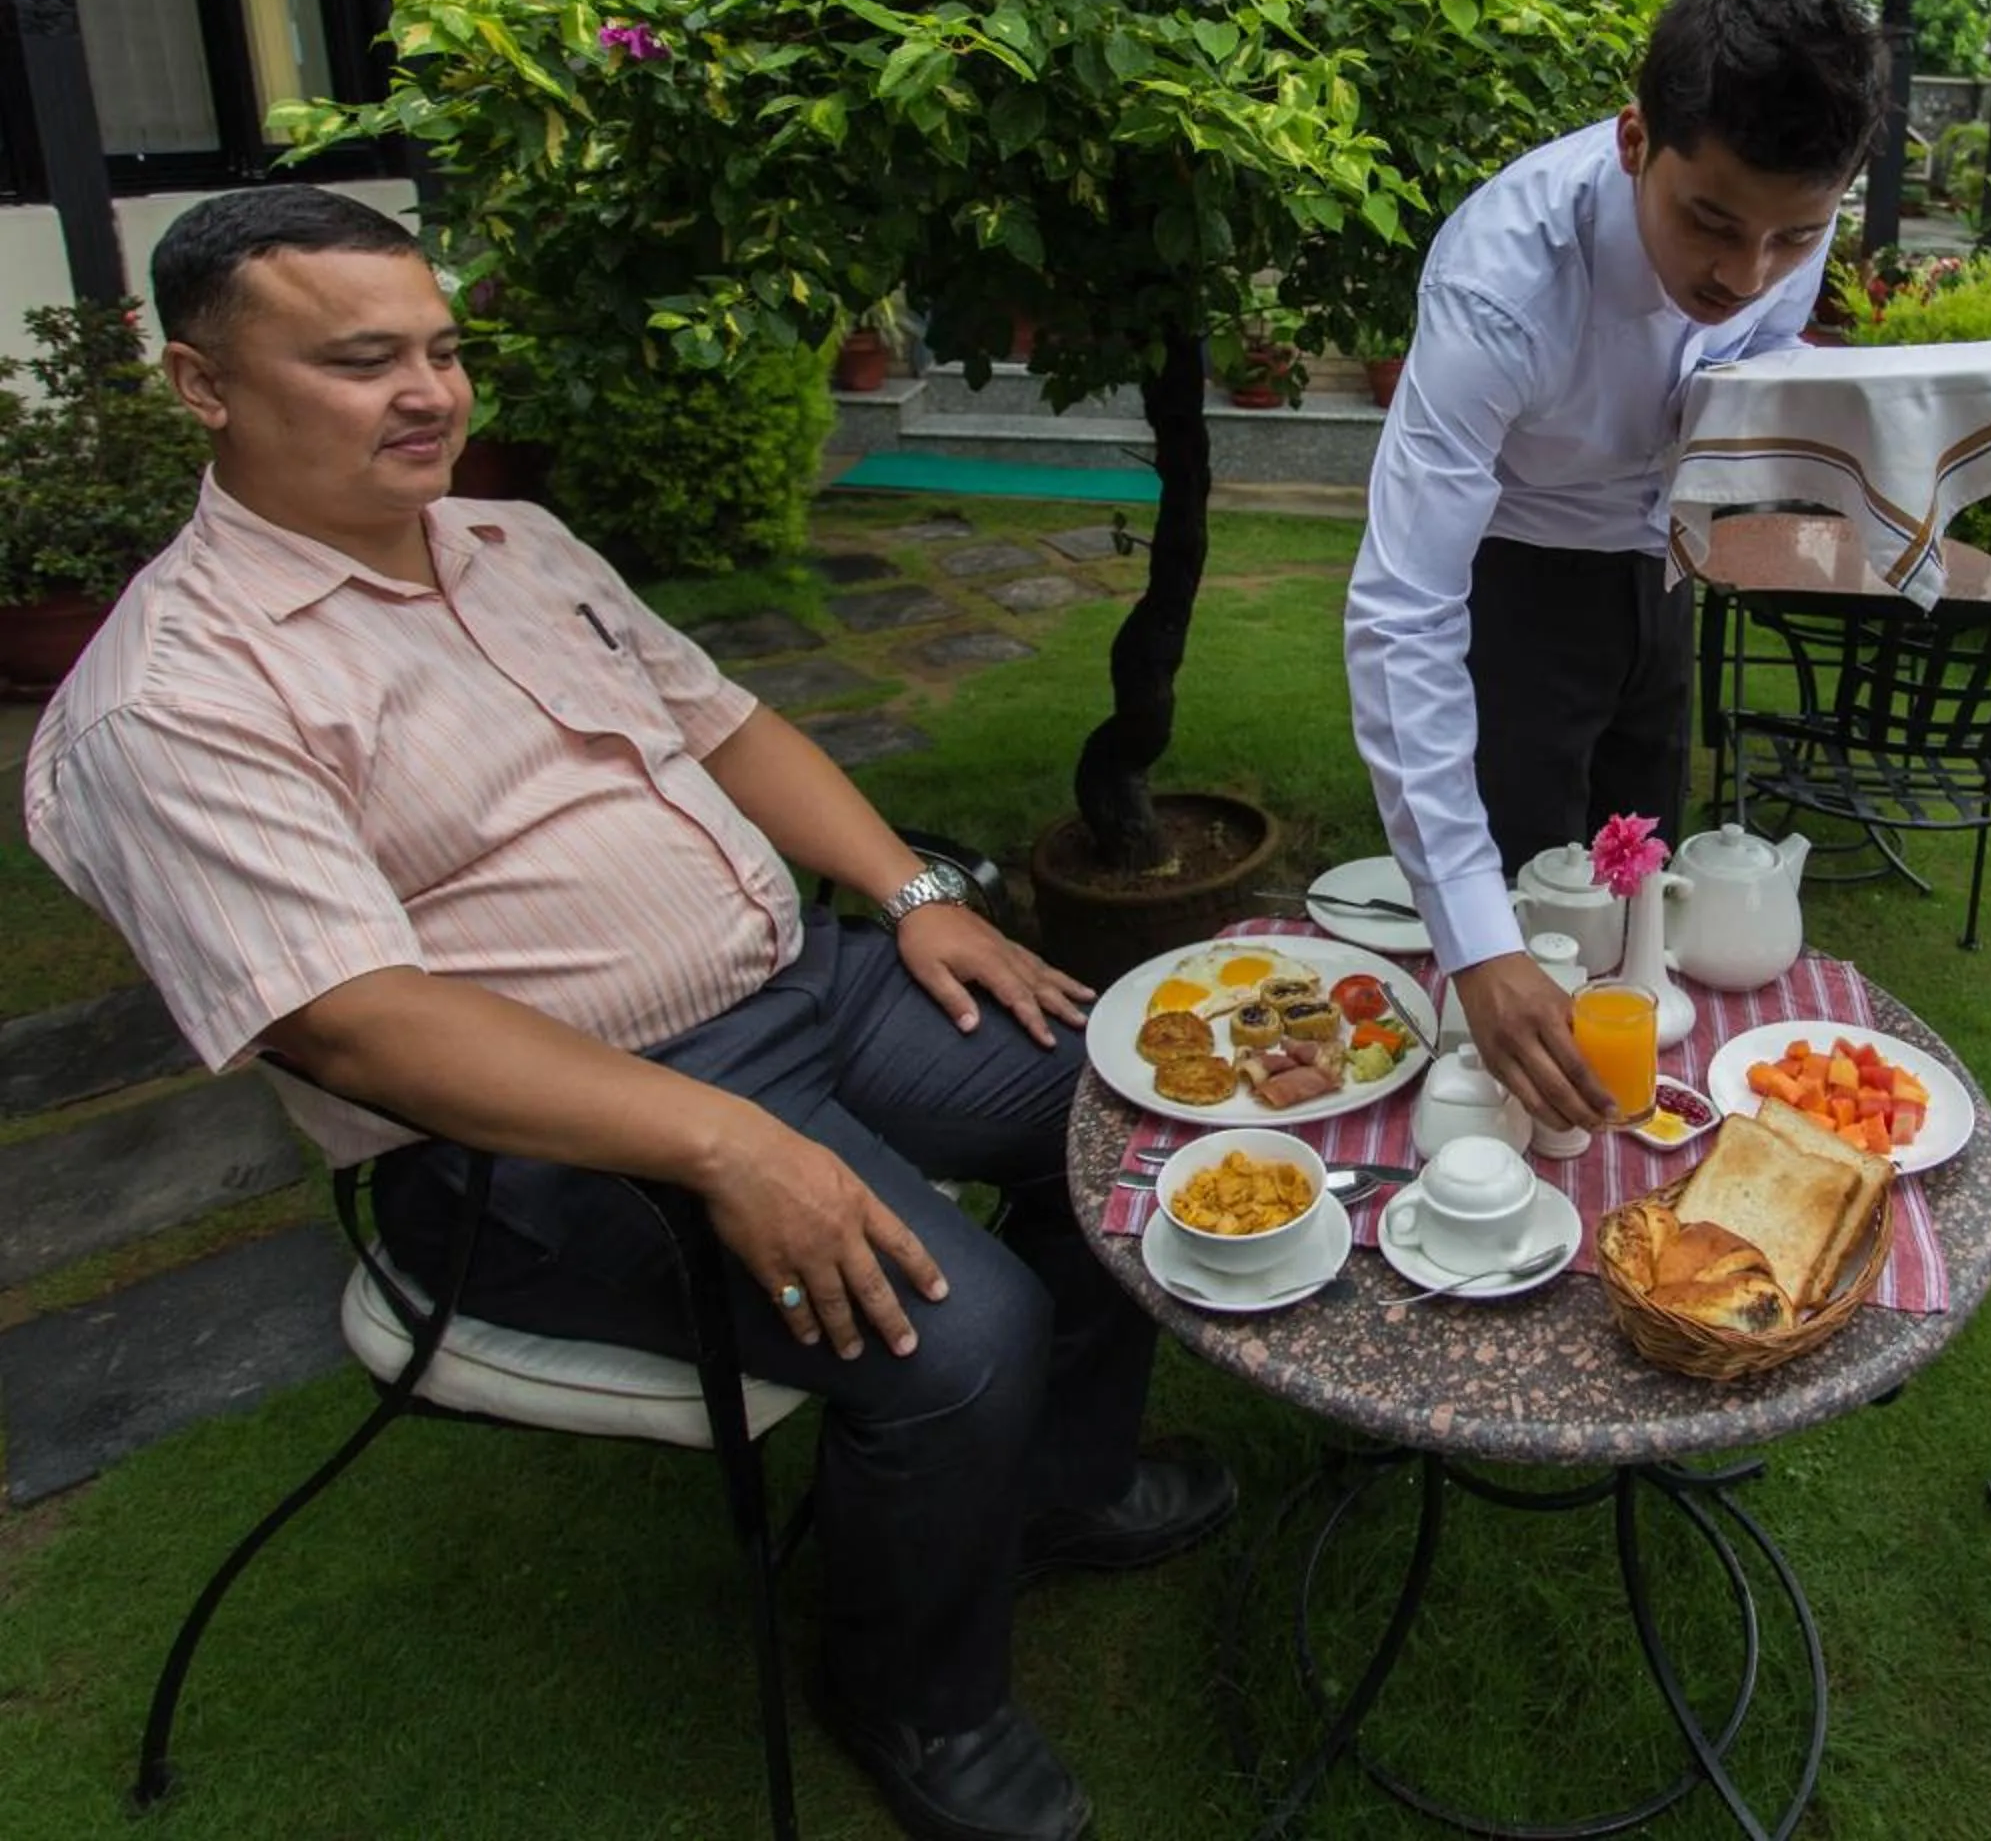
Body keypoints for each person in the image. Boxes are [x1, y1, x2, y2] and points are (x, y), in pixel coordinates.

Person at [19, 186, 1220, 1841]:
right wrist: (724, 1142)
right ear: (202, 385)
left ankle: (1057, 1489)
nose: (430, 394)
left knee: (1128, 1115)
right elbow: (353, 1024)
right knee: (965, 1336)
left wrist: (914, 895)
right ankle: (914, 1697)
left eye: (442, 350)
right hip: (541, 1143)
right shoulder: (174, 701)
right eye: (362, 362)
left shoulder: (514, 545)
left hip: (798, 991)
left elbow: (729, 727)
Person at [1343, 0, 1883, 1138]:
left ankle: (1630, 1159)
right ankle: (1499, 1165)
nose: (1746, 275)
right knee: (1527, 927)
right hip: (1519, 580)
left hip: (1662, 571)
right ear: (1637, 140)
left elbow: (1749, 365)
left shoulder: (1781, 236)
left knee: (1643, 901)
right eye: (1712, 224)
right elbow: (1402, 607)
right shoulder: (1499, 287)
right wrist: (1478, 944)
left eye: (1795, 236)